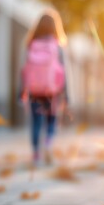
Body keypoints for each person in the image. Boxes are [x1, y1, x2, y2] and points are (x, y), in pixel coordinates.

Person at [20, 9, 69, 166]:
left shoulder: (30, 45)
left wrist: (21, 91)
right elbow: (64, 71)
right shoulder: (57, 46)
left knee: (35, 122)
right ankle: (48, 144)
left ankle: (36, 155)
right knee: (51, 120)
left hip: (34, 91)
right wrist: (66, 94)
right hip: (52, 91)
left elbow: (23, 70)